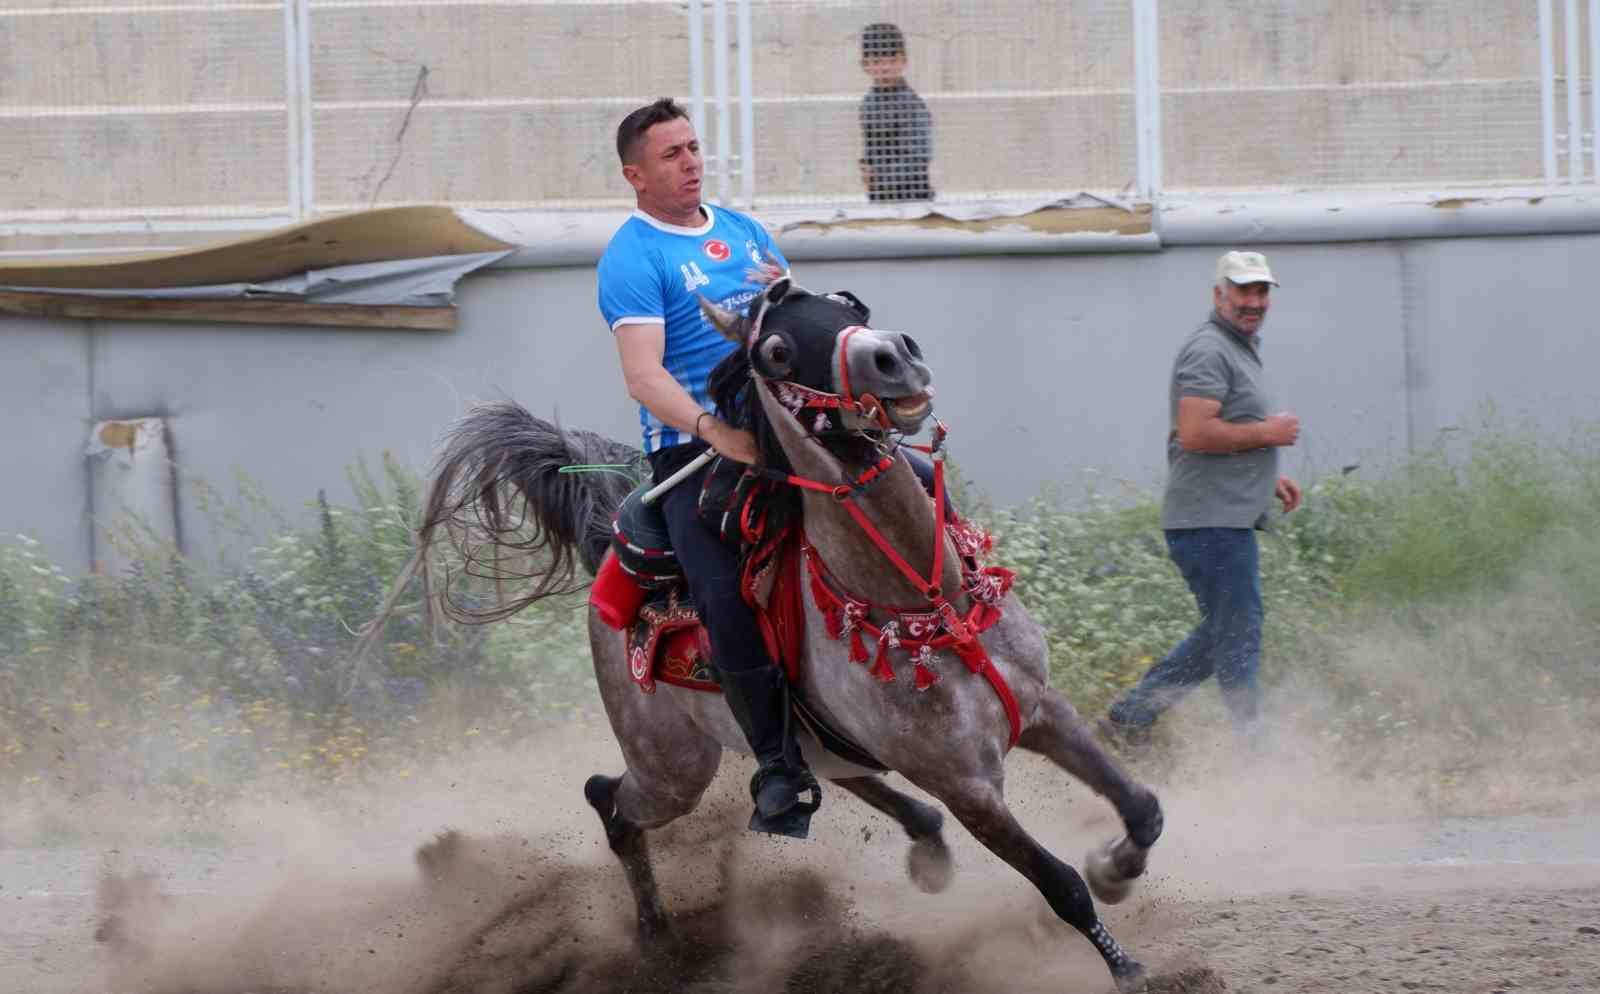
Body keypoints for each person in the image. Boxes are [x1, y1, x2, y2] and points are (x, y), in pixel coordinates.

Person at [596, 98, 814, 835]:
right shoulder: (632, 256)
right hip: (693, 453)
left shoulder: (746, 232)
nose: (691, 163)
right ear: (635, 174)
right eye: (671, 155)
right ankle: (781, 772)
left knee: (907, 488)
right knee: (720, 587)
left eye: (693, 148)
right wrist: (715, 432)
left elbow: (790, 327)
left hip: (787, 431)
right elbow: (643, 375)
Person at [1101, 250, 1303, 749]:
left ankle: (1131, 716)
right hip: (1209, 521)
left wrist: (1264, 477)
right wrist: (1268, 434)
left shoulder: (1238, 346)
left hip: (1221, 515)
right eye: (1243, 291)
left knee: (1225, 631)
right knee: (1238, 632)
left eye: (1261, 292)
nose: (1253, 302)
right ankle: (1252, 744)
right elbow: (1195, 433)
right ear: (1219, 294)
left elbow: (1221, 428)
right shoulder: (1209, 350)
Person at [858, 22, 934, 202]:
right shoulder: (868, 103)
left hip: (913, 192)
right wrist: (867, 167)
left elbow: (920, 156)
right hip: (879, 193)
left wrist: (879, 177)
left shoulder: (911, 104)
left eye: (892, 60)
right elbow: (871, 145)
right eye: (877, 61)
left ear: (904, 61)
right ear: (865, 65)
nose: (885, 68)